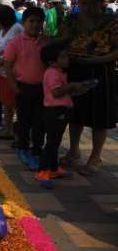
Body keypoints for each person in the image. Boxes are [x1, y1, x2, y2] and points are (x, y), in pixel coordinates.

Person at [60, 0, 118, 175]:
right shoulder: (73, 19)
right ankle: (73, 151)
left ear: (102, 2)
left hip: (101, 72)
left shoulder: (112, 21)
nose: (88, 7)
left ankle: (95, 157)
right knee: (75, 113)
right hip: (76, 70)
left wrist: (96, 60)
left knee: (99, 117)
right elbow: (62, 41)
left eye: (93, 3)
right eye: (84, 3)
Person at [36, 43, 88, 188]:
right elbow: (56, 92)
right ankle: (42, 170)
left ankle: (53, 168)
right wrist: (71, 86)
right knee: (52, 142)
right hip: (54, 111)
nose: (67, 59)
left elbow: (63, 92)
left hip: (61, 110)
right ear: (52, 61)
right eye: (63, 57)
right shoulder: (52, 73)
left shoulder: (58, 72)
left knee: (56, 141)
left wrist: (79, 88)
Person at [4, 7, 48, 171]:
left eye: (39, 22)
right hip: (23, 87)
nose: (35, 25)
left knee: (40, 120)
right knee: (24, 120)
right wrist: (14, 85)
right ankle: (22, 146)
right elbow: (8, 65)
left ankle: (37, 147)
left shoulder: (46, 41)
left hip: (43, 88)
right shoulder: (15, 42)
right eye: (31, 21)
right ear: (24, 23)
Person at [0, 2, 24, 141]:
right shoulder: (3, 29)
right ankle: (7, 128)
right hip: (3, 71)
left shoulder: (16, 29)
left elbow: (14, 51)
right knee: (6, 102)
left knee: (13, 102)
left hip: (12, 72)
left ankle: (15, 130)